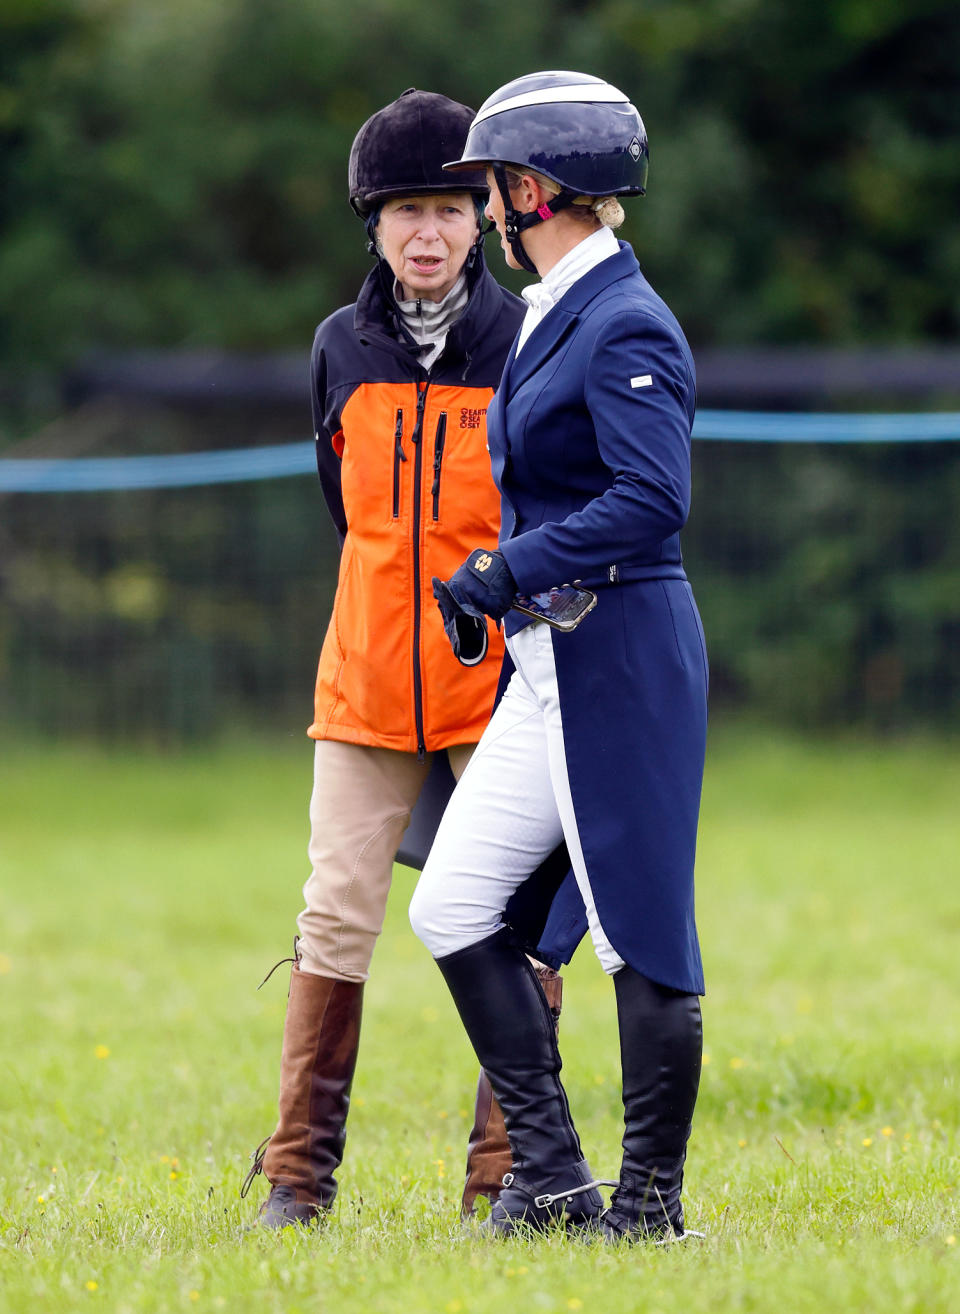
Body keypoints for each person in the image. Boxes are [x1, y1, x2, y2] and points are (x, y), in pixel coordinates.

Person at [242, 88, 560, 1229]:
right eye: (402, 211)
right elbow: (349, 511)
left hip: (498, 685)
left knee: (515, 923)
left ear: (483, 216)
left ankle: (509, 1177)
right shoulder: (339, 346)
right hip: (366, 681)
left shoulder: (527, 340)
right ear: (371, 225)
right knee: (334, 917)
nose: (426, 232)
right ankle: (296, 1177)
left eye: (449, 207)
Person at [409, 71, 709, 1242]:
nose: (483, 212)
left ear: (535, 191)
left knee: (640, 927)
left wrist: (504, 569)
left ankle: (648, 1208)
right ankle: (551, 1178)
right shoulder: (556, 310)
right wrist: (508, 577)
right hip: (548, 664)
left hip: (620, 656)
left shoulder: (626, 317)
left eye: (489, 191)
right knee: (453, 903)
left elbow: (652, 495)